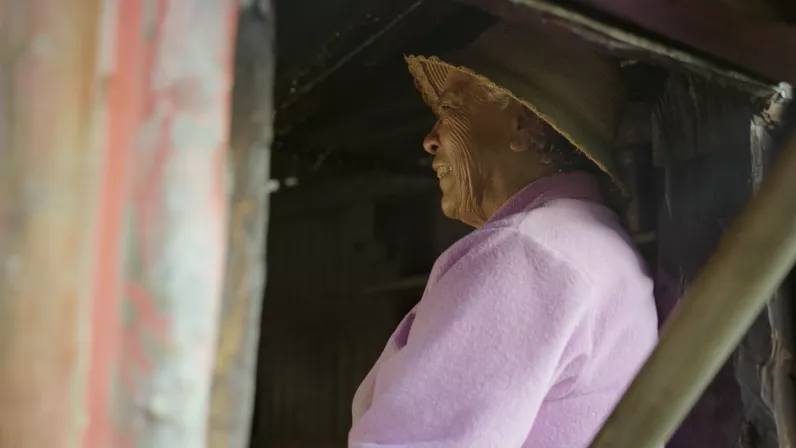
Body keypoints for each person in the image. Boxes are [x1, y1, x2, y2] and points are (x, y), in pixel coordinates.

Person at [349, 22, 658, 448]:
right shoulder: (581, 242)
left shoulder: (529, 252)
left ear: (522, 125)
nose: (430, 140)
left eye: (450, 111)